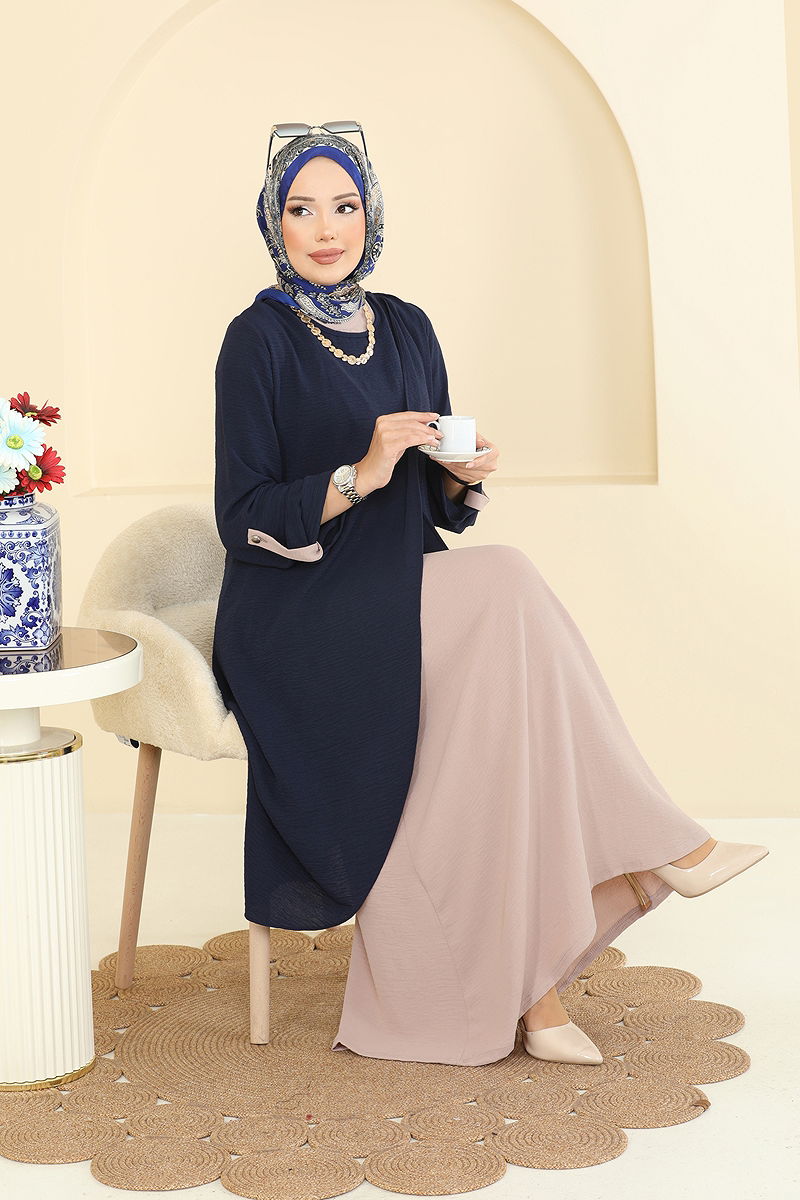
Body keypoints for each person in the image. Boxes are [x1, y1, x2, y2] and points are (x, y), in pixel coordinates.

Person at [211, 124, 769, 1068]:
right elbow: (243, 516)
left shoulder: (407, 325)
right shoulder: (254, 340)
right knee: (507, 581)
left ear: (371, 215)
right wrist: (359, 473)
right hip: (294, 614)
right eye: (301, 209)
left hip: (394, 586)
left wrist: (459, 476)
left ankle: (536, 995)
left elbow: (434, 503)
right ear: (274, 223)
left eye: (344, 206)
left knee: (492, 730)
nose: (326, 229)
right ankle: (662, 847)